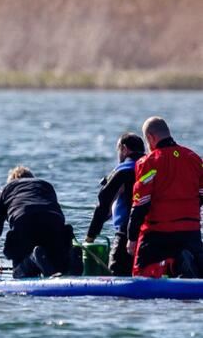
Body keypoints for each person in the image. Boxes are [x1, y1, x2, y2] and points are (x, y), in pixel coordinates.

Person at [128, 117, 203, 278]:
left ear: (150, 138)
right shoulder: (195, 159)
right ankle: (189, 262)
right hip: (191, 230)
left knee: (140, 274)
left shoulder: (148, 163)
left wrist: (131, 238)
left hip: (158, 232)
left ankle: (172, 265)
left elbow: (141, 204)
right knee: (196, 272)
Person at [0, 166, 75, 278]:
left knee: (19, 273)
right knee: (58, 268)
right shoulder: (45, 185)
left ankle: (33, 258)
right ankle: (72, 258)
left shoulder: (6, 188)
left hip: (24, 221)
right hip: (53, 221)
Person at [84, 132, 145, 276]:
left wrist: (90, 236)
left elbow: (103, 206)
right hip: (154, 233)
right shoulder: (152, 168)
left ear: (124, 148)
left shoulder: (123, 171)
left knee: (117, 275)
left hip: (126, 234)